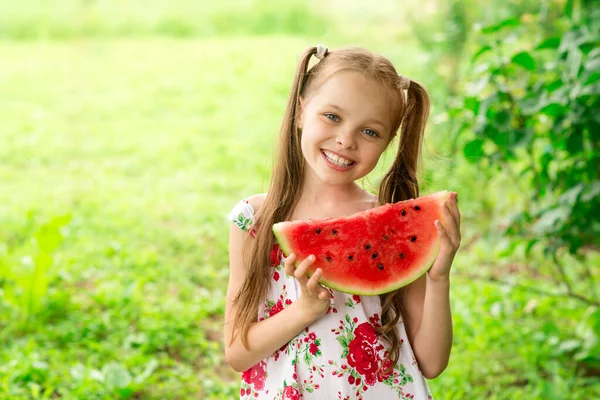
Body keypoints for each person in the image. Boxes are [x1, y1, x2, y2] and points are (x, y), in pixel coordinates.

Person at [225, 44, 461, 400]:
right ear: (302, 110)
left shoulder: (393, 227)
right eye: (332, 117)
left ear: (387, 143)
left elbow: (431, 361)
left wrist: (438, 277)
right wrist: (303, 310)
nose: (345, 140)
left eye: (370, 132)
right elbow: (237, 353)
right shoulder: (253, 221)